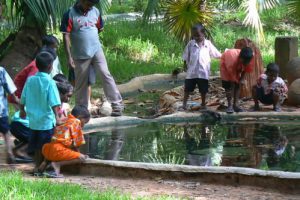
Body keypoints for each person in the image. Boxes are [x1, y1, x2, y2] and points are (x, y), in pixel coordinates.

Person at [61, 0, 123, 116]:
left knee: (105, 74)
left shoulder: (95, 11)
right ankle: (82, 111)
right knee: (81, 83)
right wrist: (69, 57)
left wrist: (89, 40)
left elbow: (99, 28)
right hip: (79, 55)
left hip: (96, 50)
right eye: (88, 4)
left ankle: (117, 104)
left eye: (92, 5)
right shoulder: (69, 14)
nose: (90, 7)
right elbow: (66, 36)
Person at [20, 51, 65, 173]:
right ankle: (45, 168)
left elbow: (23, 97)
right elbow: (55, 102)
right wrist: (58, 117)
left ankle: (36, 166)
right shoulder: (50, 82)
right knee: (47, 145)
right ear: (50, 67)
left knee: (36, 146)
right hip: (46, 121)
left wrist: (21, 111)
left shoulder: (30, 80)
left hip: (33, 121)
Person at [11, 74, 73, 161]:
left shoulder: (45, 98)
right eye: (68, 96)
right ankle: (21, 152)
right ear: (59, 93)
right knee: (41, 139)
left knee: (37, 138)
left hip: (16, 123)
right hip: (22, 125)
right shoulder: (52, 104)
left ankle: (21, 152)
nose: (68, 99)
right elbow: (54, 122)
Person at [39, 105, 90, 178]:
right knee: (81, 158)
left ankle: (44, 164)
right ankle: (57, 165)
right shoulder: (76, 122)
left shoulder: (64, 119)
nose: (84, 125)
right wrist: (79, 154)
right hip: (58, 151)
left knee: (57, 145)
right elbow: (76, 144)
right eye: (85, 122)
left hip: (47, 149)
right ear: (79, 117)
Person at [181, 24, 221, 110]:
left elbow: (216, 53)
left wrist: (225, 55)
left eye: (198, 35)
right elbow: (186, 55)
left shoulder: (208, 44)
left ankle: (203, 104)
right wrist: (185, 65)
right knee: (187, 89)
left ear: (204, 34)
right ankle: (184, 104)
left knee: (203, 90)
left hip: (203, 72)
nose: (196, 37)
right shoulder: (191, 44)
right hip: (191, 72)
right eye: (194, 35)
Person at [8, 45, 58, 109]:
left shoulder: (38, 65)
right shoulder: (36, 68)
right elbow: (30, 85)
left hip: (23, 96)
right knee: (25, 117)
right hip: (18, 97)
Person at [220, 47, 254, 113]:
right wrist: (236, 81)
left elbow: (246, 69)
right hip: (226, 67)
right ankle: (230, 105)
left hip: (237, 65)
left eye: (247, 62)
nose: (246, 63)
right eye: (244, 62)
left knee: (238, 85)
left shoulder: (250, 57)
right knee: (229, 87)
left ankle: (235, 105)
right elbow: (231, 73)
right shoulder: (231, 58)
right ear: (241, 58)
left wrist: (241, 79)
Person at [0, 67, 19, 163]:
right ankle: (9, 152)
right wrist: (16, 99)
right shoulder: (1, 70)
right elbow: (10, 88)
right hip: (1, 110)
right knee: (6, 132)